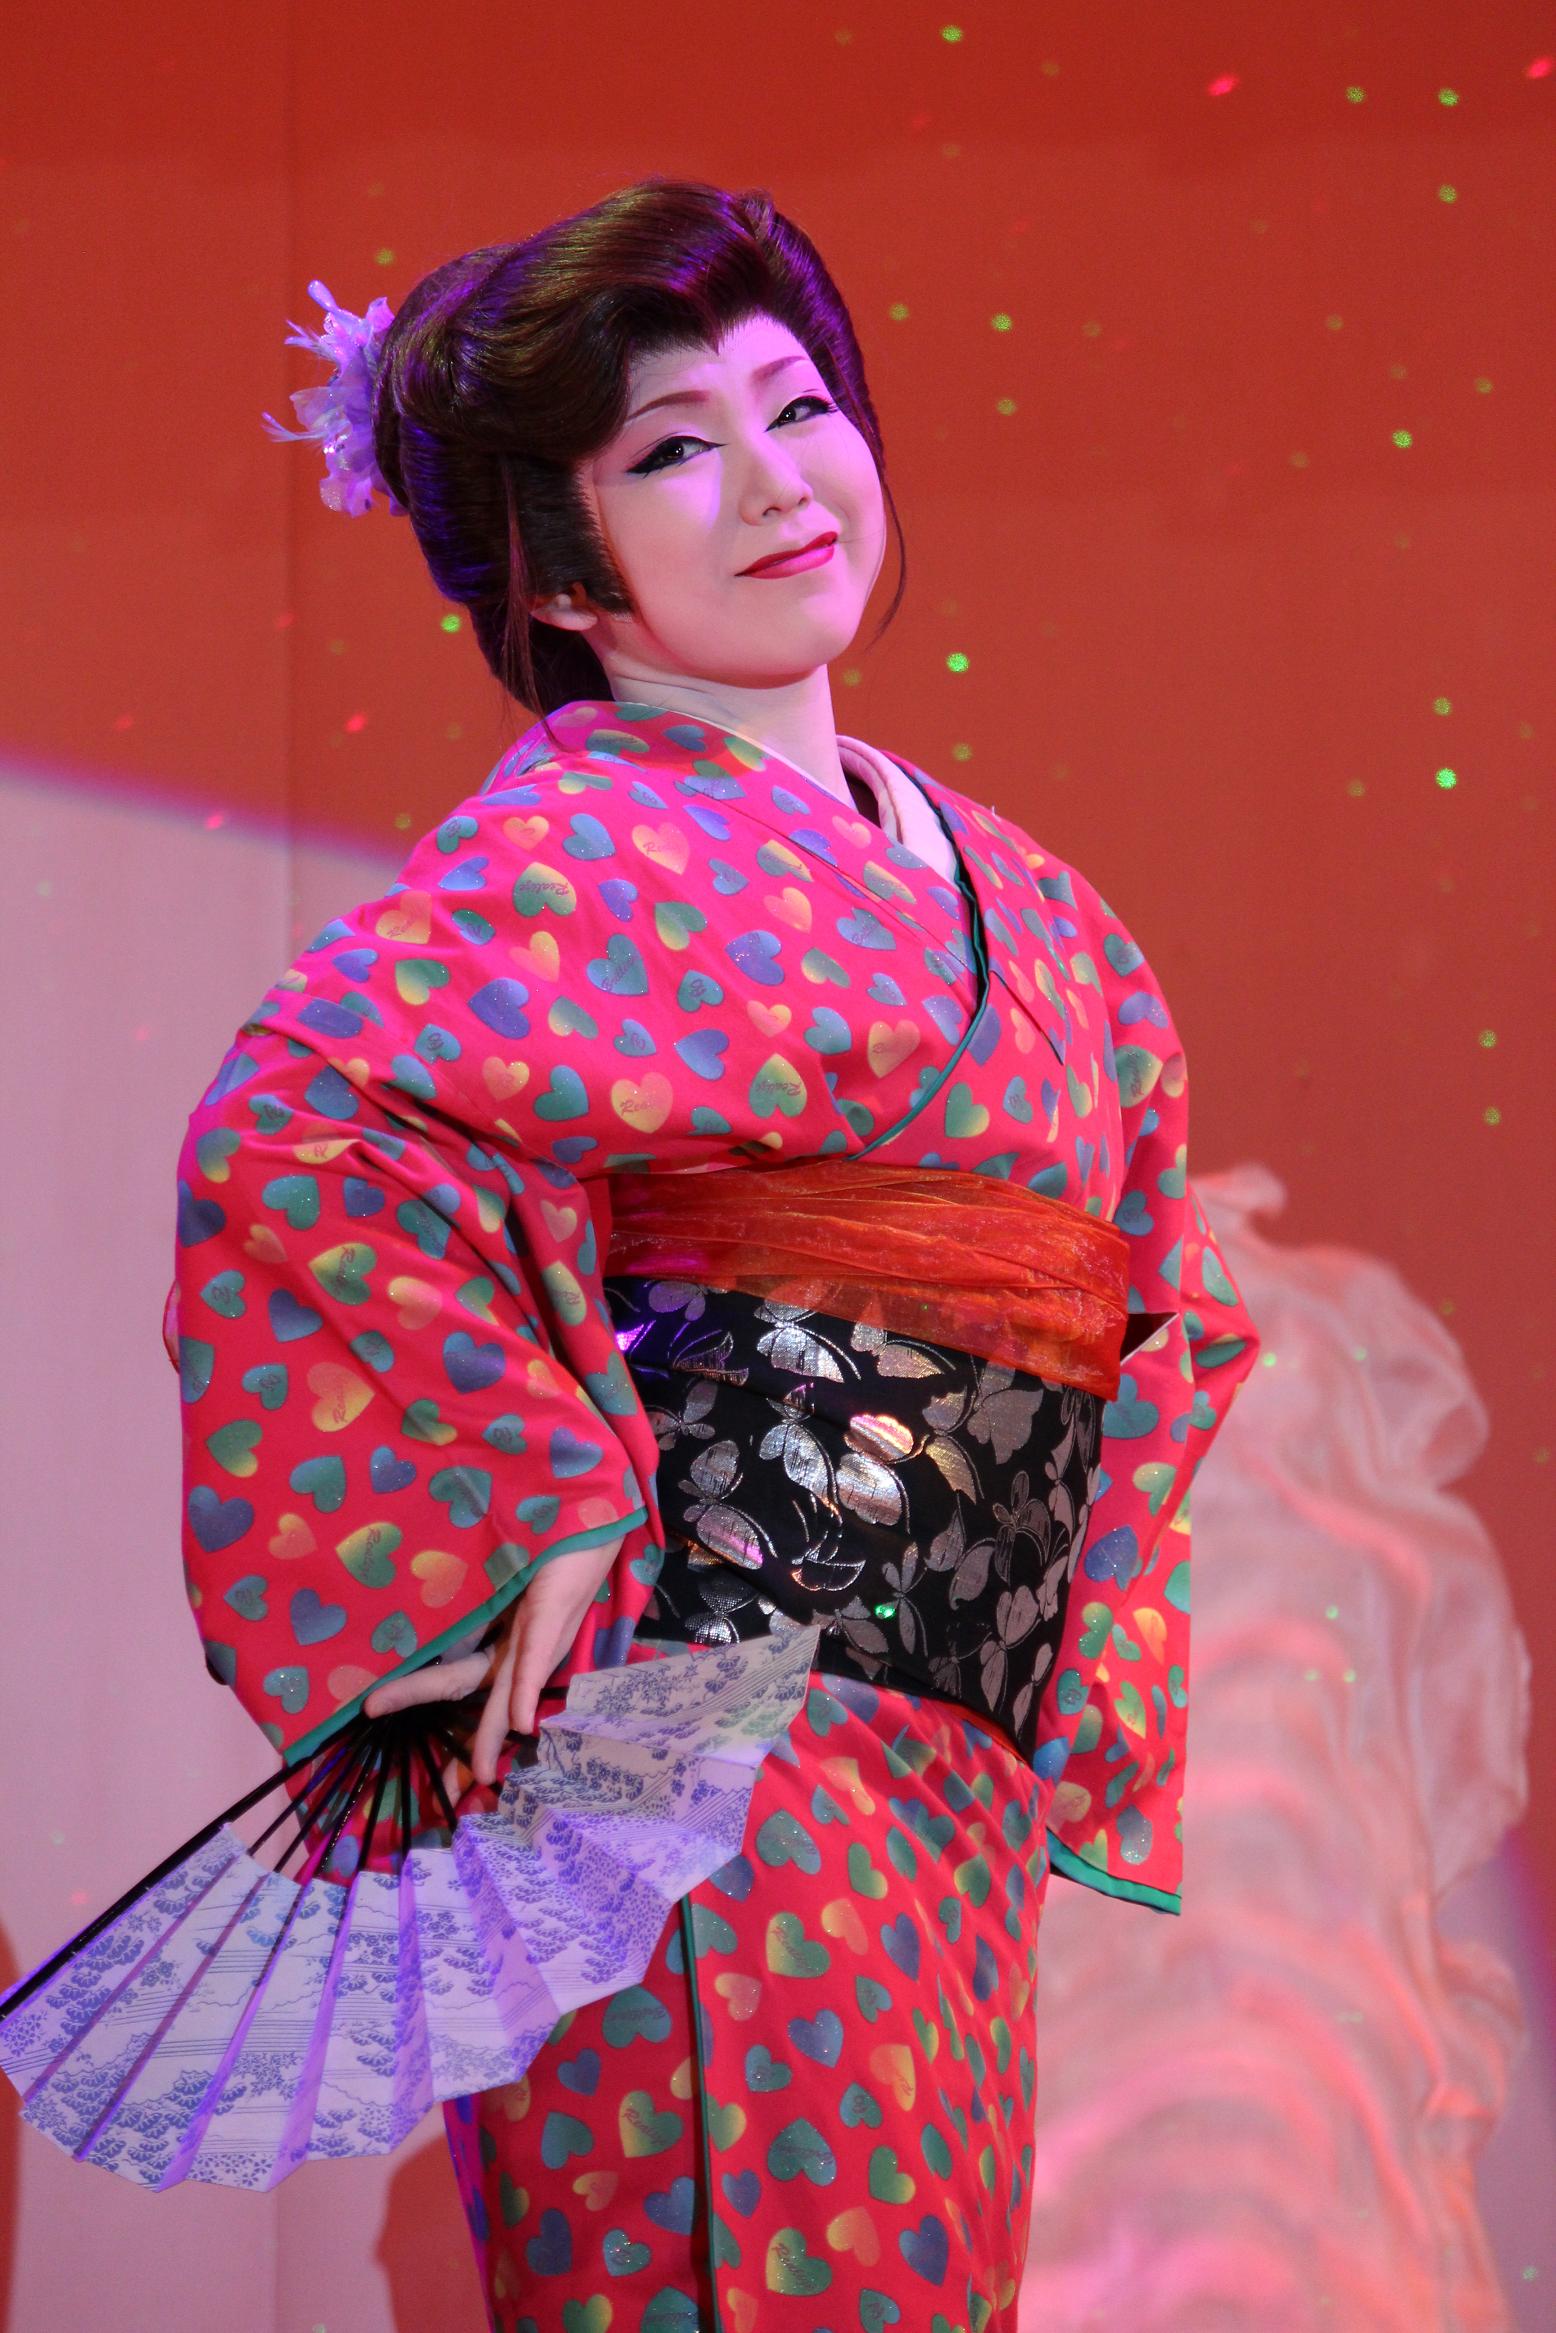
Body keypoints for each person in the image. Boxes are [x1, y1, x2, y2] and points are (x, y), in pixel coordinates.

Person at [174, 177, 1260, 2331]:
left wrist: (1062, 1622)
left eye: (801, 406)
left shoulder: (1034, 903)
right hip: (686, 1741)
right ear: (558, 567)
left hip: (932, 1761)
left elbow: (1152, 1299)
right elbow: (302, 1130)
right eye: (675, 447)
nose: (776, 481)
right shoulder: (581, 847)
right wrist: (533, 1508)